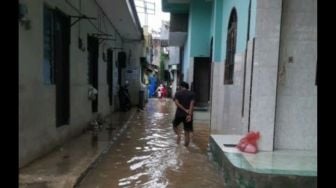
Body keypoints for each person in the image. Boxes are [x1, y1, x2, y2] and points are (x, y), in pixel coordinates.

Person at [172, 81, 195, 146]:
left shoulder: (177, 93)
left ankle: (178, 135)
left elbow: (177, 103)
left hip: (179, 114)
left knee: (174, 125)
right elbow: (192, 105)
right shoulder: (192, 94)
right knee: (187, 132)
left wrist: (184, 109)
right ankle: (186, 148)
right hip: (188, 115)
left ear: (181, 86)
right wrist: (189, 114)